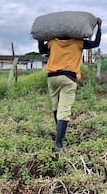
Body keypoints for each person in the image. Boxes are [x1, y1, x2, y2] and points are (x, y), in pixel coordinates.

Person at [38, 17, 102, 153]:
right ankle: (59, 145)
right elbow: (96, 43)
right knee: (64, 110)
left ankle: (59, 136)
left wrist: (40, 37)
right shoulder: (78, 42)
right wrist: (99, 27)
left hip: (52, 77)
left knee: (56, 107)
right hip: (68, 78)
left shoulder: (53, 41)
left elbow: (41, 50)